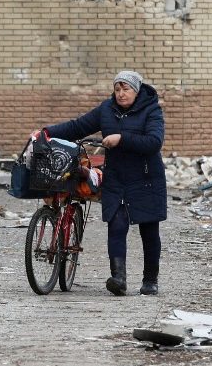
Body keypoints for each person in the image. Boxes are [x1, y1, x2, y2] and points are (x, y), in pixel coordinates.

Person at [38, 71, 167, 296]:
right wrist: (46, 132)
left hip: (146, 178)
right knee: (116, 225)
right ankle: (118, 279)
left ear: (137, 91)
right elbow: (78, 126)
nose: (121, 94)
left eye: (126, 89)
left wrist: (122, 138)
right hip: (116, 177)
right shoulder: (107, 109)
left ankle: (150, 280)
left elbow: (154, 142)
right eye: (117, 89)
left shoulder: (151, 110)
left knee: (149, 230)